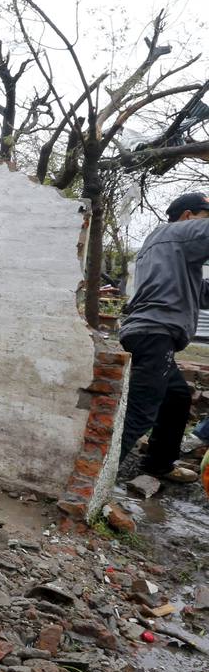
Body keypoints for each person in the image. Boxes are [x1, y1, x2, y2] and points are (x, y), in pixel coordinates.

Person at [116, 191, 209, 484]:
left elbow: (199, 294)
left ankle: (159, 463)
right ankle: (93, 479)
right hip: (154, 333)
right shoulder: (176, 233)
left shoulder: (168, 247)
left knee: (177, 398)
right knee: (140, 413)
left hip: (150, 331)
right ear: (188, 217)